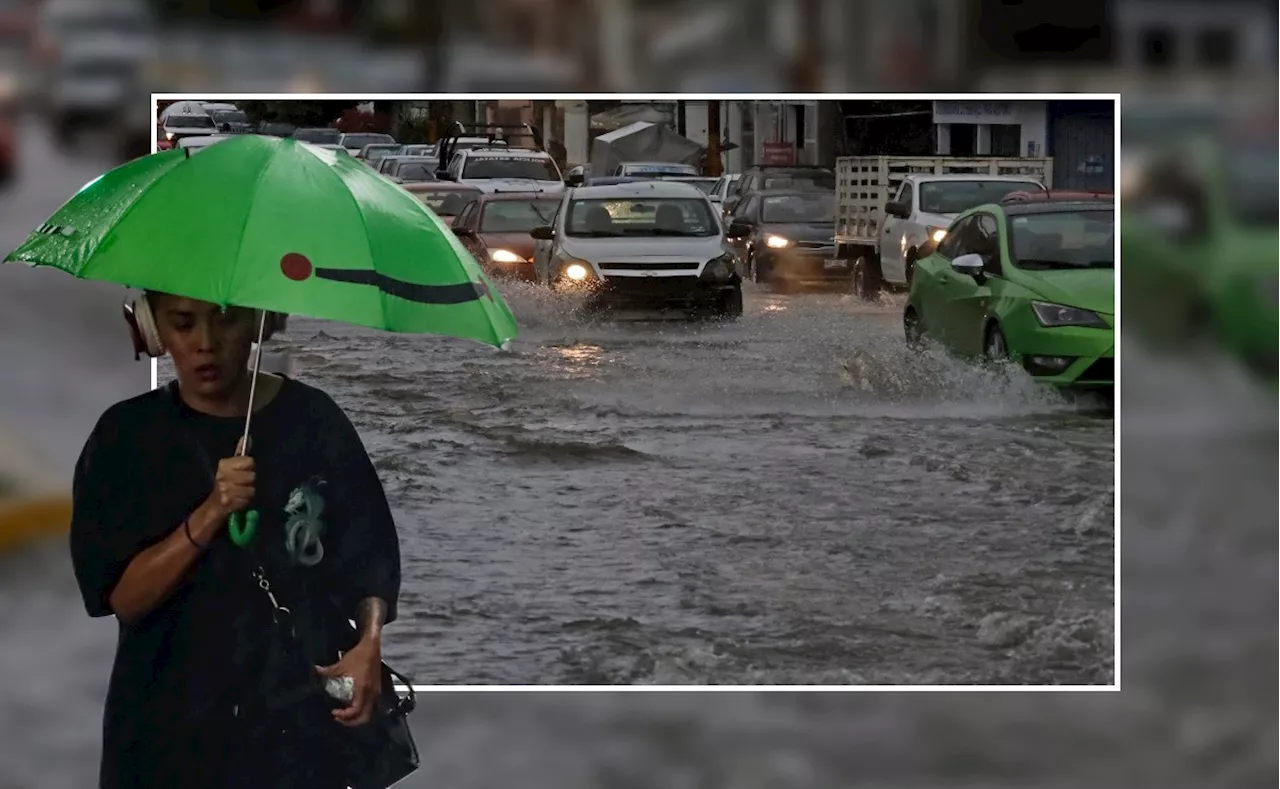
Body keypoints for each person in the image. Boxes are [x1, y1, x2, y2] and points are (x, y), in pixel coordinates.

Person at [70, 291, 402, 789]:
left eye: (224, 323)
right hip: (168, 728)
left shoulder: (315, 421)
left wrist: (368, 643)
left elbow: (369, 553)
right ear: (153, 330)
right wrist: (211, 513)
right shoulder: (126, 437)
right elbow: (125, 599)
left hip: (295, 722)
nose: (205, 344)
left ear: (260, 324)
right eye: (183, 324)